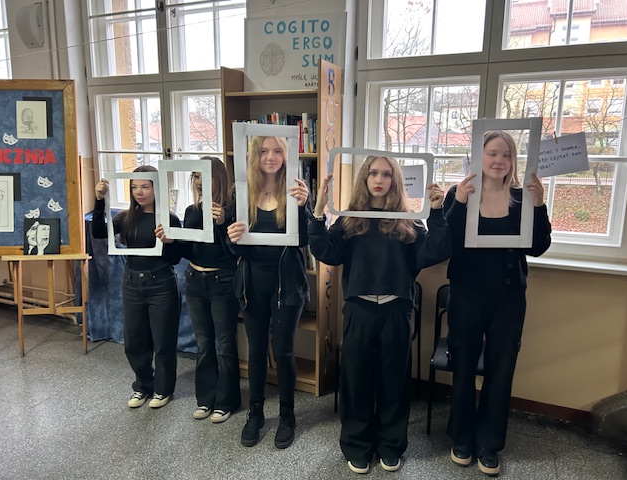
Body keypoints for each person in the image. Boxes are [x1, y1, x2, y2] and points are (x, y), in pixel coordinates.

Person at [308, 155, 452, 475]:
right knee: (356, 380)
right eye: (373, 173)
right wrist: (318, 213)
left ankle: (390, 445)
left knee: (393, 382)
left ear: (394, 181)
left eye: (386, 174)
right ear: (365, 178)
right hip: (359, 309)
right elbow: (326, 251)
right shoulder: (350, 220)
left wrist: (437, 212)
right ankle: (357, 445)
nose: (379, 179)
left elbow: (436, 251)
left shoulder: (407, 220)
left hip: (395, 309)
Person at [443, 131, 551, 476]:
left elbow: (538, 247)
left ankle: (489, 444)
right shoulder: (459, 193)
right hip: (466, 293)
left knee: (501, 371)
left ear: (514, 160)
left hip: (508, 296)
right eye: (492, 153)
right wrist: (459, 204)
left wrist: (540, 205)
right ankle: (462, 438)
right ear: (479, 156)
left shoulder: (523, 197)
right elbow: (445, 243)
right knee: (462, 366)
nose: (499, 160)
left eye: (506, 154)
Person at [226, 136, 310, 449]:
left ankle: (287, 414)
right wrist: (231, 238)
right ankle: (256, 413)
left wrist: (304, 207)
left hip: (287, 283)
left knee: (284, 351)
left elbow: (305, 240)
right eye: (263, 151)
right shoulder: (242, 192)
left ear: (286, 156)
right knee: (256, 350)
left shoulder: (296, 191)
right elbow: (232, 248)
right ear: (255, 156)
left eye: (277, 151)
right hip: (252, 284)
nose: (270, 157)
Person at [92, 165, 182, 409]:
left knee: (163, 341)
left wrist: (170, 241)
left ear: (156, 188)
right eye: (134, 187)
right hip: (132, 283)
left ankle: (163, 389)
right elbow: (99, 232)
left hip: (161, 282)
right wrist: (99, 201)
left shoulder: (169, 219)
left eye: (145, 186)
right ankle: (143, 385)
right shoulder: (126, 217)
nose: (139, 192)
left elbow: (175, 258)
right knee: (134, 341)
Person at [179, 157, 241, 422]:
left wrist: (223, 223)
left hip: (222, 281)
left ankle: (226, 401)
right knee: (203, 343)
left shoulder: (232, 210)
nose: (200, 181)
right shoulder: (191, 211)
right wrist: (171, 239)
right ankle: (205, 399)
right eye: (196, 175)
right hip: (194, 279)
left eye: (206, 175)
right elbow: (186, 251)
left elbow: (236, 252)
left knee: (225, 343)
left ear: (219, 178)